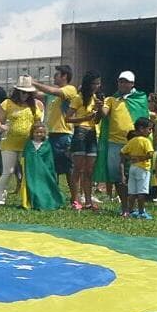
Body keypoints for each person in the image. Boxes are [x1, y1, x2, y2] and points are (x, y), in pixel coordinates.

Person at [98, 70, 148, 217]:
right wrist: (100, 106)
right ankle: (125, 207)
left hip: (135, 143)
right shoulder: (111, 100)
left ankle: (138, 208)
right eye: (120, 81)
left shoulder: (140, 98)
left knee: (136, 174)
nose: (123, 84)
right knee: (118, 176)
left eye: (126, 81)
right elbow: (104, 114)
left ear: (132, 84)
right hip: (115, 143)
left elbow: (144, 120)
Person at [0, 76, 43, 206]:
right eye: (22, 92)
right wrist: (1, 126)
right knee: (8, 171)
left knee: (29, 172)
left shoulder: (35, 105)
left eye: (27, 92)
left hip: (27, 144)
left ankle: (28, 198)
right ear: (17, 91)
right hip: (9, 143)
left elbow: (38, 123)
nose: (25, 95)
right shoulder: (7, 104)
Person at [32, 65, 77, 200]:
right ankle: (54, 196)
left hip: (63, 134)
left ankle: (75, 199)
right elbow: (36, 93)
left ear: (64, 76)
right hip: (50, 134)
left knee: (69, 169)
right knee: (52, 168)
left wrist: (34, 82)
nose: (53, 77)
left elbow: (51, 91)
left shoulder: (69, 89)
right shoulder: (51, 94)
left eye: (57, 75)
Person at [67, 71, 102, 210]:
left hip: (92, 133)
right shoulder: (78, 98)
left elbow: (98, 120)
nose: (96, 86)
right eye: (94, 83)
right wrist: (84, 119)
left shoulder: (96, 98)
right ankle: (75, 200)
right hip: (80, 132)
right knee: (78, 168)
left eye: (98, 83)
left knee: (89, 170)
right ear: (88, 84)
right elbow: (67, 118)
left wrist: (99, 110)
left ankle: (88, 201)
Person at [19, 121, 64, 210]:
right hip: (32, 172)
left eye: (42, 132)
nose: (39, 134)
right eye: (37, 132)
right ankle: (34, 203)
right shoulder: (29, 144)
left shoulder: (47, 145)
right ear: (32, 133)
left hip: (44, 173)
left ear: (45, 133)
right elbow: (25, 157)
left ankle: (47, 202)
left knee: (44, 188)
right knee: (33, 188)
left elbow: (49, 160)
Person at [120, 116, 155, 219]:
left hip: (133, 168)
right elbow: (150, 154)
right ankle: (141, 212)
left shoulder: (132, 140)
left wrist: (131, 158)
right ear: (141, 129)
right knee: (141, 192)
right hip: (143, 169)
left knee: (132, 192)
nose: (150, 132)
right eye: (149, 129)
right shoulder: (146, 141)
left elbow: (122, 153)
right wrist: (140, 158)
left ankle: (129, 210)